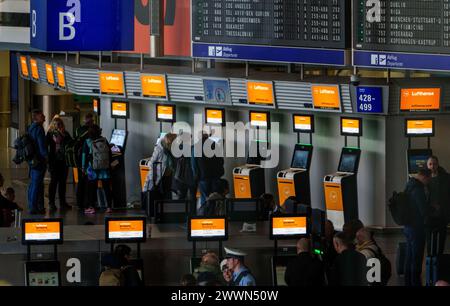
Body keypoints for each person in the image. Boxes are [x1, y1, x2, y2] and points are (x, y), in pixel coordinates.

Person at [404, 168, 431, 286]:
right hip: (417, 228)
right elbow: (423, 210)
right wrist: (433, 208)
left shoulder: (409, 184)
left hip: (408, 227)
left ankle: (408, 281)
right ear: (424, 177)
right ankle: (415, 283)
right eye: (428, 180)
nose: (427, 183)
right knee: (416, 258)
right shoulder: (418, 189)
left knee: (409, 257)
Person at [81, 124, 113, 214]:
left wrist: (83, 168)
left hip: (92, 169)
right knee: (106, 188)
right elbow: (109, 154)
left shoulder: (87, 141)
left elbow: (84, 155)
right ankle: (109, 207)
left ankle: (92, 207)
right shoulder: (104, 140)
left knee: (91, 188)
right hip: (104, 168)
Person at [46, 117, 73, 212]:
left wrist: (63, 135)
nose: (59, 127)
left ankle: (62, 202)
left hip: (63, 161)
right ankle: (51, 203)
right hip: (54, 162)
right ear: (54, 126)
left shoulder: (66, 134)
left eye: (60, 125)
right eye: (57, 125)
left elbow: (71, 143)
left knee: (62, 183)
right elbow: (47, 147)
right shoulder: (50, 134)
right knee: (53, 182)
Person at [192, 132, 224, 206]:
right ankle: (213, 214)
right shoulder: (215, 145)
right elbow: (221, 160)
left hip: (203, 177)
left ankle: (206, 214)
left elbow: (194, 164)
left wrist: (196, 176)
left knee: (205, 198)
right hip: (215, 176)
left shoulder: (196, 147)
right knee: (214, 198)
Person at [426, 156, 450, 255]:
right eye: (430, 164)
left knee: (441, 239)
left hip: (442, 214)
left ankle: (439, 260)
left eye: (434, 164)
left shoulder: (446, 178)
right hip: (429, 215)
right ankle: (430, 259)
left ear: (438, 164)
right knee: (429, 240)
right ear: (427, 166)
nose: (432, 166)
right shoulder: (425, 179)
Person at [143, 133, 177, 198]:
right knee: (159, 197)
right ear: (169, 143)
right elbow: (151, 163)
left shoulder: (171, 150)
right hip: (159, 178)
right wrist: (152, 179)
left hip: (168, 176)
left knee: (167, 198)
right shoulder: (159, 149)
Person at [27, 109, 48, 214]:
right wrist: (47, 157)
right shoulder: (39, 129)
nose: (44, 116)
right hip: (39, 161)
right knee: (36, 184)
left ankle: (35, 205)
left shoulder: (31, 127)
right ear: (36, 117)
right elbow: (42, 147)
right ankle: (33, 207)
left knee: (34, 183)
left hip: (32, 160)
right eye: (41, 115)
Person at [74, 113, 95, 210]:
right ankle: (85, 203)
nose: (92, 123)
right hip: (85, 161)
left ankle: (82, 203)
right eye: (91, 121)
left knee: (83, 182)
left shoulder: (81, 129)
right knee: (86, 182)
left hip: (83, 160)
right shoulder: (85, 130)